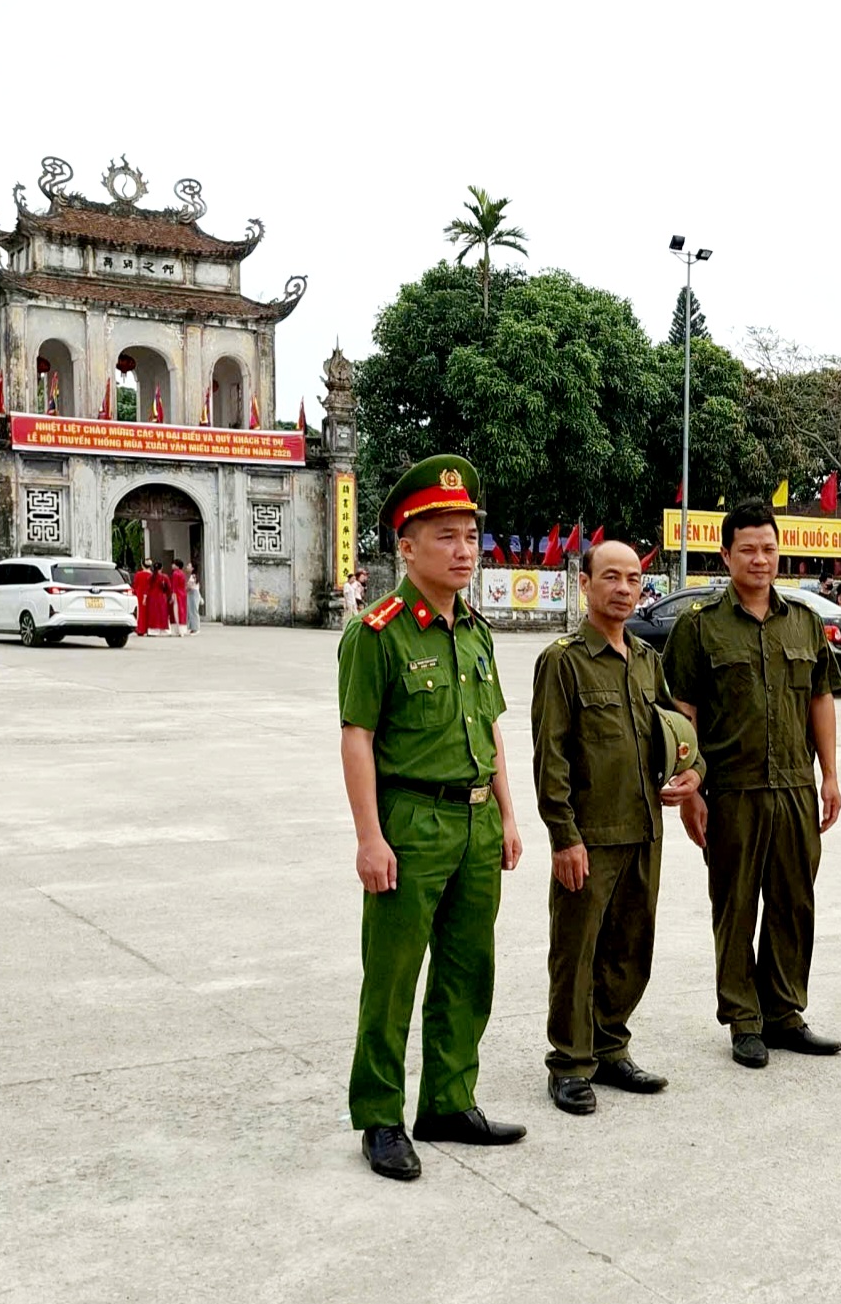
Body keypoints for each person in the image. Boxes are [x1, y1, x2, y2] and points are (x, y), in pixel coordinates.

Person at [336, 454, 526, 1181]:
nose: (463, 550)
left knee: (468, 968)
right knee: (392, 975)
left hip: (477, 821)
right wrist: (369, 836)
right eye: (445, 535)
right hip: (411, 821)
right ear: (405, 546)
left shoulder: (475, 630)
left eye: (470, 536)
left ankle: (449, 1098)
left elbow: (494, 727)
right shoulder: (377, 633)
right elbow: (357, 736)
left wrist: (508, 815)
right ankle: (381, 1116)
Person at [663, 500, 841, 1069]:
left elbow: (820, 700)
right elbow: (683, 710)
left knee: (795, 903)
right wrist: (691, 789)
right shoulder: (699, 626)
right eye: (747, 549)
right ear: (725, 555)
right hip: (732, 788)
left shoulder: (805, 622)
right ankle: (744, 1019)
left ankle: (785, 1012)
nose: (760, 559)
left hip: (794, 784)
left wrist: (831, 775)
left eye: (768, 549)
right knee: (735, 906)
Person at [530, 539, 704, 1115]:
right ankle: (570, 1063)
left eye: (633, 579)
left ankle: (611, 1046)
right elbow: (549, 757)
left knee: (631, 947)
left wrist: (692, 774)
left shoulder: (647, 661)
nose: (624, 589)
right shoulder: (563, 661)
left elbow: (677, 737)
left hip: (643, 829)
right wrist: (563, 836)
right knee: (576, 952)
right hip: (590, 835)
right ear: (586, 584)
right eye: (611, 577)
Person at [147, 561, 171, 636]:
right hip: (161, 597)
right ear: (161, 568)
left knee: (153, 614)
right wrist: (168, 595)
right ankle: (163, 629)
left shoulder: (150, 577)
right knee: (162, 613)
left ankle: (153, 630)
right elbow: (169, 588)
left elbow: (147, 587)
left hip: (152, 597)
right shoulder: (165, 577)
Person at [132, 559, 152, 637]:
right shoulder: (152, 575)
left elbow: (135, 584)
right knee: (148, 611)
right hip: (149, 594)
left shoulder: (139, 574)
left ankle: (141, 628)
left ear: (142, 565)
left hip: (140, 593)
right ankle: (148, 628)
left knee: (141, 611)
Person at [169, 559, 189, 638]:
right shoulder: (182, 573)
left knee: (176, 612)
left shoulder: (175, 573)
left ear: (176, 565)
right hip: (183, 594)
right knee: (182, 611)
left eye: (173, 564)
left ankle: (178, 630)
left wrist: (173, 595)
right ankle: (182, 629)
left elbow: (174, 585)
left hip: (177, 594)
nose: (172, 565)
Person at [186, 565, 202, 634]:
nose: (187, 567)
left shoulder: (193, 576)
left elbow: (190, 586)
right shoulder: (192, 576)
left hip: (193, 594)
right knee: (191, 611)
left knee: (194, 611)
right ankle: (192, 627)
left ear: (193, 568)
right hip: (191, 594)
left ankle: (196, 628)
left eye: (189, 566)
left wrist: (184, 589)